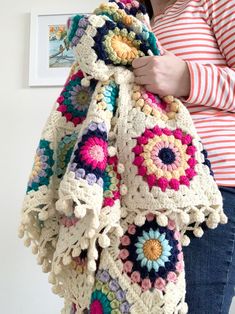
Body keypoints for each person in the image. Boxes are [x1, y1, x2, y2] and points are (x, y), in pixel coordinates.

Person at [132, 0, 235, 313]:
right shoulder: (135, 20)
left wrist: (188, 78)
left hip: (209, 189)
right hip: (144, 197)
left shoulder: (214, 3)